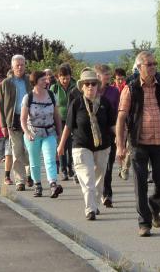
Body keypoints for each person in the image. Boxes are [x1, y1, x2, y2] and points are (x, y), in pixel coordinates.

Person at [115, 51, 160, 238]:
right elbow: (121, 117)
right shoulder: (130, 89)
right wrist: (120, 145)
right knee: (141, 183)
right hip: (139, 142)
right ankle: (144, 223)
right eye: (149, 64)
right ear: (139, 68)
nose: (153, 67)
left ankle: (154, 206)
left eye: (155, 64)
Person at [58, 68, 114, 219]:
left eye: (93, 84)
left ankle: (95, 204)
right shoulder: (76, 104)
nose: (90, 87)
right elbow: (68, 126)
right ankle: (90, 208)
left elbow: (112, 125)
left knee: (100, 177)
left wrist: (122, 143)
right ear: (82, 87)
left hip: (103, 146)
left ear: (97, 86)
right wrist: (61, 145)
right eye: (87, 84)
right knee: (87, 177)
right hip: (81, 145)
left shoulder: (105, 103)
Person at [21, 70, 64, 198]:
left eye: (47, 79)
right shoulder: (28, 97)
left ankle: (53, 185)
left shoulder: (51, 95)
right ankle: (38, 185)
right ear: (35, 82)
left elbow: (57, 116)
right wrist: (27, 132)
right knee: (34, 161)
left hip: (49, 132)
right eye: (43, 80)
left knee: (50, 159)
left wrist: (60, 133)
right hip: (33, 133)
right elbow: (23, 119)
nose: (46, 81)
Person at [0, 55, 33, 191]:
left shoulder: (30, 81)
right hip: (13, 120)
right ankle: (20, 180)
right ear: (12, 66)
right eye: (17, 65)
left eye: (22, 64)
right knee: (17, 151)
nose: (19, 67)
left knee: (29, 150)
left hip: (29, 121)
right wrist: (3, 125)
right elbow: (0, 105)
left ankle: (30, 175)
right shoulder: (6, 83)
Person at [95, 64, 120, 208]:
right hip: (93, 134)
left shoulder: (114, 92)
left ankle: (107, 194)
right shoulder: (90, 90)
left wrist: (119, 133)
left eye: (109, 75)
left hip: (110, 132)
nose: (108, 77)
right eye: (106, 75)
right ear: (98, 76)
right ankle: (96, 193)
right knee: (96, 167)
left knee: (108, 166)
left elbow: (118, 112)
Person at [51, 64, 77, 181]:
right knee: (61, 144)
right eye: (63, 78)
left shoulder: (75, 86)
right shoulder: (54, 88)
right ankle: (63, 170)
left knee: (72, 145)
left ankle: (71, 166)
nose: (65, 80)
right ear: (58, 77)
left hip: (73, 119)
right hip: (59, 120)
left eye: (67, 78)